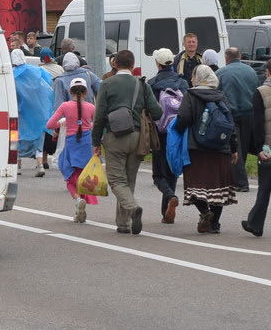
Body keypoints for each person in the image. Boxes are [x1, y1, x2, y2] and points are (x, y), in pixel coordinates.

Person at [91, 49, 160, 234]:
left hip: (114, 137)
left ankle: (132, 209)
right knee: (129, 180)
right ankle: (123, 224)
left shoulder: (106, 83)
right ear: (133, 64)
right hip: (138, 138)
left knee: (116, 180)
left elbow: (99, 115)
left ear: (115, 64)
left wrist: (96, 140)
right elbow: (157, 112)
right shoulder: (142, 84)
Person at [172, 64, 240, 233]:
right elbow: (229, 124)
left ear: (198, 78)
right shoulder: (221, 96)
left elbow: (183, 118)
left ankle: (205, 212)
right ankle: (215, 223)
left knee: (195, 186)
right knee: (218, 188)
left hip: (197, 149)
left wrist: (180, 132)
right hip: (220, 149)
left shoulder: (190, 95)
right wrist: (233, 148)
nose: (191, 78)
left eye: (193, 75)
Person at [46, 76, 98, 222]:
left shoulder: (65, 106)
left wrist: (63, 123)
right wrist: (88, 125)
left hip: (71, 144)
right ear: (86, 92)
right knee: (85, 176)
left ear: (70, 91)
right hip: (87, 145)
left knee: (70, 175)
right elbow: (99, 124)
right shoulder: (91, 107)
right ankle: (81, 203)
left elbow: (49, 125)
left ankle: (77, 199)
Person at [148, 48, 190, 222]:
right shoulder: (183, 83)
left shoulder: (151, 84)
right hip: (178, 131)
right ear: (171, 63)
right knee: (172, 171)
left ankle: (170, 196)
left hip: (159, 133)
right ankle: (167, 214)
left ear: (157, 63)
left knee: (159, 174)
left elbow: (149, 109)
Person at [241, 58, 271, 237]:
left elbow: (257, 124)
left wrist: (259, 149)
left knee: (264, 189)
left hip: (270, 149)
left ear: (268, 72)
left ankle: (255, 224)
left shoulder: (261, 92)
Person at [217, 46, 260, 191]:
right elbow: (257, 90)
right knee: (244, 146)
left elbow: (216, 93)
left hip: (231, 114)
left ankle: (240, 182)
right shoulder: (251, 71)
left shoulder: (221, 73)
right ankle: (236, 177)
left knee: (235, 147)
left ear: (226, 58)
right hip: (249, 113)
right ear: (240, 56)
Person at [12, 49, 54, 177]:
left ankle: (18, 166)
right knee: (38, 138)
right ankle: (40, 165)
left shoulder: (11, 75)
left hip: (19, 112)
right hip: (37, 112)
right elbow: (48, 85)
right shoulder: (36, 71)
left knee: (16, 138)